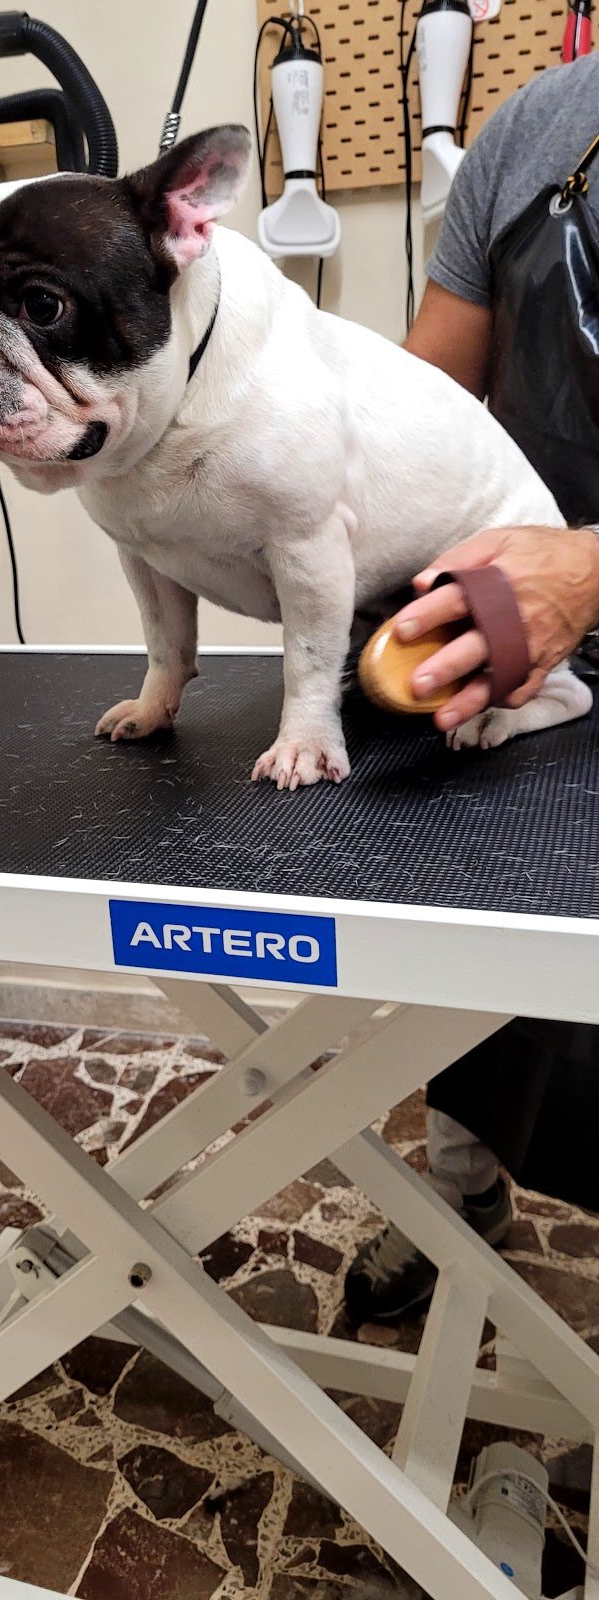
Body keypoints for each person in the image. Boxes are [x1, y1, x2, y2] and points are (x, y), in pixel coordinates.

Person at [345, 50, 599, 1326]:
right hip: (529, 636)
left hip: (577, 593)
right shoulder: (534, 125)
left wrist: (589, 569)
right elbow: (422, 398)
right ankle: (462, 1198)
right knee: (463, 950)